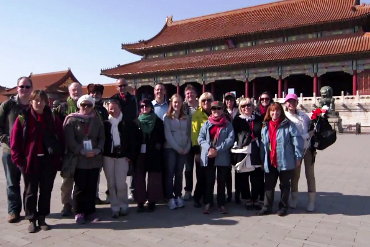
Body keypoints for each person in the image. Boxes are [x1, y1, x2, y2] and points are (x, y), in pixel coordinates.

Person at [11, 90, 64, 233]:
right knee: (30, 191)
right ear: (31, 102)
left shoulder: (52, 117)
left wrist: (59, 157)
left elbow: (61, 136)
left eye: (42, 100)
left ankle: (42, 217)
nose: (39, 103)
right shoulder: (23, 118)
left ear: (47, 102)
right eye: (36, 100)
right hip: (30, 161)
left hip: (48, 160)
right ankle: (31, 218)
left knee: (46, 190)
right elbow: (15, 142)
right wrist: (19, 162)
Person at [63, 95, 105, 224]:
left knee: (92, 186)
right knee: (80, 187)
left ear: (93, 106)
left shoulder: (97, 121)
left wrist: (97, 150)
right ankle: (79, 211)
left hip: (94, 158)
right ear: (79, 106)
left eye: (89, 105)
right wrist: (81, 150)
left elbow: (102, 138)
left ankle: (90, 211)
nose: (86, 107)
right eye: (83, 105)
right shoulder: (72, 120)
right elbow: (70, 140)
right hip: (79, 158)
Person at [258, 103, 303, 216]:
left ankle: (283, 207)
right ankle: (267, 206)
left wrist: (298, 157)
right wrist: (262, 159)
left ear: (281, 112)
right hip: (270, 160)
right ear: (269, 112)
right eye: (272, 111)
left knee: (284, 184)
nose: (275, 113)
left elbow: (297, 141)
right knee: (268, 184)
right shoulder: (266, 126)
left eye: (277, 111)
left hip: (285, 159)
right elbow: (263, 144)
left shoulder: (289, 125)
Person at [0, 77, 33, 223]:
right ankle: (13, 210)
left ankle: (29, 210)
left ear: (31, 88)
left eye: (27, 87)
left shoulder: (35, 105)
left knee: (30, 183)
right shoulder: (8, 105)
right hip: (10, 151)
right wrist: (9, 141)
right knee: (12, 182)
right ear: (17, 88)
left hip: (29, 152)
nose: (24, 89)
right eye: (22, 86)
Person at [102, 100, 140, 218]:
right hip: (108, 156)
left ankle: (124, 205)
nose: (113, 111)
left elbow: (135, 141)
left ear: (120, 109)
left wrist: (131, 155)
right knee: (111, 183)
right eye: (110, 108)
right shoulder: (105, 124)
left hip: (123, 157)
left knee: (121, 183)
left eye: (115, 108)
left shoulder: (127, 123)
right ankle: (115, 207)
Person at [198, 101, 234, 214]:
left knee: (221, 181)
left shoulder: (227, 124)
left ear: (222, 110)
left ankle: (221, 203)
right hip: (209, 156)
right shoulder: (206, 124)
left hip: (222, 155)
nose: (216, 111)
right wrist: (209, 148)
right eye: (214, 109)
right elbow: (200, 138)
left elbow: (230, 139)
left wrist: (217, 150)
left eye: (219, 109)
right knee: (209, 181)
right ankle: (209, 202)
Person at [284, 94, 316, 212]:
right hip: (294, 150)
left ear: (297, 102)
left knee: (310, 175)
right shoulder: (285, 117)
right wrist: (307, 135)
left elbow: (312, 127)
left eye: (293, 101)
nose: (291, 104)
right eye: (288, 101)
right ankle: (294, 198)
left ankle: (311, 201)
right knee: (295, 175)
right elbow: (291, 137)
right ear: (285, 104)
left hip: (308, 149)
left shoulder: (304, 116)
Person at [232, 98, 264, 209]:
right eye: (243, 106)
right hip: (243, 151)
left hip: (256, 150)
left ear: (252, 106)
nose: (246, 108)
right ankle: (247, 199)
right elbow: (234, 135)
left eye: (249, 105)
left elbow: (262, 134)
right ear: (240, 108)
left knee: (256, 176)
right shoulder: (237, 120)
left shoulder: (259, 119)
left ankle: (255, 198)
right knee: (243, 177)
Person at [110, 78, 138, 200]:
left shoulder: (133, 98)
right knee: (116, 163)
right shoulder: (114, 99)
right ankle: (113, 192)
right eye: (119, 86)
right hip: (118, 131)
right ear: (117, 87)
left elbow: (135, 114)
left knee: (132, 161)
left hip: (131, 131)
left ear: (127, 86)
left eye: (124, 85)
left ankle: (133, 190)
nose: (122, 87)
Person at [57, 82, 83, 216]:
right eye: (73, 89)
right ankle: (66, 204)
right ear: (69, 91)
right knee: (67, 180)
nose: (76, 91)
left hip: (84, 150)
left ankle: (80, 204)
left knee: (82, 179)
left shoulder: (88, 106)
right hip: (68, 150)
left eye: (78, 89)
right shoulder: (62, 107)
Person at [135, 99, 165, 213]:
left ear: (151, 107)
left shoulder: (157, 121)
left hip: (154, 153)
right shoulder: (137, 121)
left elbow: (162, 136)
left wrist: (157, 145)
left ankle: (152, 201)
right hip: (140, 153)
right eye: (142, 106)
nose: (144, 108)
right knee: (139, 177)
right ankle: (140, 201)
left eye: (146, 106)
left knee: (154, 178)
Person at [163, 94, 191, 209]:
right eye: (175, 102)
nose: (177, 104)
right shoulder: (167, 117)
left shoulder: (186, 117)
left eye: (179, 102)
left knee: (179, 173)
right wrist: (178, 148)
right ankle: (170, 197)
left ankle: (178, 195)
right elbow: (168, 135)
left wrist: (188, 147)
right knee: (170, 173)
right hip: (171, 148)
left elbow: (189, 134)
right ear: (171, 103)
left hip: (184, 149)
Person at [87, 83, 109, 205]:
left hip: (101, 145)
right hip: (88, 145)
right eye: (93, 93)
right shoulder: (86, 107)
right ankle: (91, 196)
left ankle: (99, 195)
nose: (95, 95)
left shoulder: (103, 110)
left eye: (97, 93)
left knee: (99, 172)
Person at [191, 92, 214, 208]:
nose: (206, 103)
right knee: (201, 176)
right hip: (201, 150)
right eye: (204, 100)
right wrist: (196, 152)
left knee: (210, 176)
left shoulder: (214, 113)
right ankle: (197, 197)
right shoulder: (197, 115)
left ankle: (208, 198)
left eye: (209, 100)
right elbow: (195, 134)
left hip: (212, 150)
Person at [182, 84, 199, 201]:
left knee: (200, 168)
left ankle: (199, 190)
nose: (189, 95)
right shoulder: (183, 108)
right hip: (187, 141)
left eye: (191, 93)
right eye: (187, 93)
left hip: (198, 142)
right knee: (188, 168)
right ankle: (188, 190)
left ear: (196, 94)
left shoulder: (201, 106)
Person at [223, 92, 239, 203]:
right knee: (227, 171)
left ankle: (237, 194)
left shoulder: (239, 112)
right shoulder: (222, 112)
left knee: (238, 170)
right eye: (227, 100)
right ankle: (229, 193)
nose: (229, 102)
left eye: (231, 100)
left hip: (238, 144)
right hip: (227, 144)